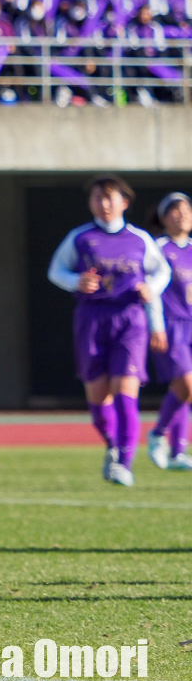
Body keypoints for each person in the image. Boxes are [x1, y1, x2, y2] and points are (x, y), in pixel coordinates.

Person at [47, 175, 171, 487]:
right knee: (98, 400)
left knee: (125, 393)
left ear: (124, 202)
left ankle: (124, 464)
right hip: (91, 318)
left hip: (130, 320)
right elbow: (56, 271)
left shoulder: (139, 239)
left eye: (110, 198)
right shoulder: (80, 237)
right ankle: (113, 446)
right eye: (98, 198)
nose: (104, 204)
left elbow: (162, 271)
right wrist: (76, 281)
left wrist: (150, 289)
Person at [148, 192, 192, 471]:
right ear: (164, 218)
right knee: (186, 386)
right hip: (171, 324)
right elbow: (151, 290)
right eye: (175, 210)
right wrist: (156, 327)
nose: (182, 214)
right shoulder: (158, 248)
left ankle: (177, 452)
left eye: (186, 209)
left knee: (186, 391)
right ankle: (157, 433)